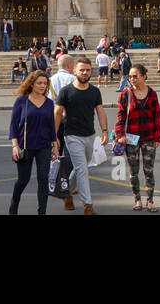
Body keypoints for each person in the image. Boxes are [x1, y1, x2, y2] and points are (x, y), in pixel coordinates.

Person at [53, 57, 110, 214]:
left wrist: (104, 131)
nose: (85, 73)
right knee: (82, 169)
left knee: (80, 168)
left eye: (87, 70)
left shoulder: (94, 91)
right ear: (74, 71)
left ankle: (67, 193)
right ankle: (88, 205)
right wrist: (54, 136)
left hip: (90, 136)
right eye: (82, 70)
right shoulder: (66, 91)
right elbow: (57, 113)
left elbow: (100, 111)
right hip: (72, 136)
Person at [113, 64, 160, 212]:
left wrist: (158, 137)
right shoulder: (125, 95)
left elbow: (157, 117)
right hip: (130, 138)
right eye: (130, 76)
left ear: (144, 76)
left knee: (149, 170)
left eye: (135, 76)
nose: (132, 79)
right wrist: (120, 135)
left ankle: (150, 201)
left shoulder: (152, 94)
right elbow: (121, 117)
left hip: (148, 137)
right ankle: (137, 199)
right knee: (133, 171)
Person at [8, 70, 56, 215]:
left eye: (45, 83)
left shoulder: (49, 103)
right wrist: (15, 146)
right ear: (32, 84)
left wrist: (55, 146)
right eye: (39, 83)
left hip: (44, 146)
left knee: (43, 180)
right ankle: (14, 204)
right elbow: (13, 126)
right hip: (25, 147)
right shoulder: (22, 101)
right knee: (23, 180)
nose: (42, 86)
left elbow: (51, 126)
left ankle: (42, 211)